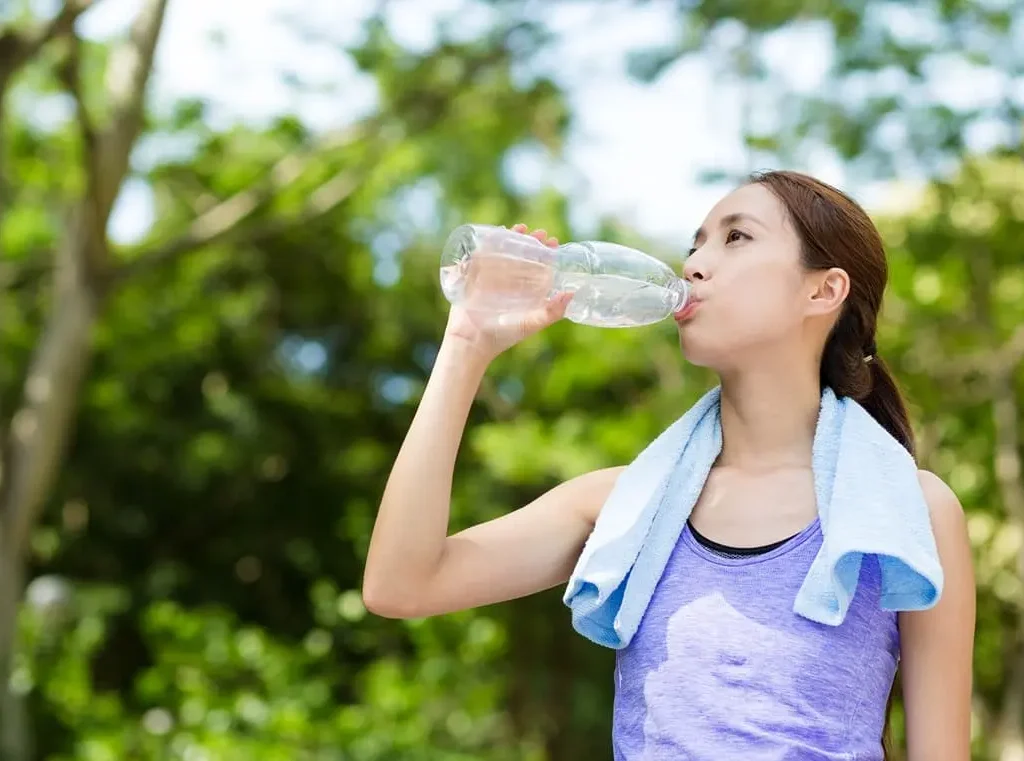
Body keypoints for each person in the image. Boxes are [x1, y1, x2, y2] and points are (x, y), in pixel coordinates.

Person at [362, 170, 975, 760]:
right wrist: (466, 343)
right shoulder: (624, 505)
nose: (695, 263)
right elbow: (400, 584)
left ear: (823, 290)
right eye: (696, 244)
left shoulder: (905, 512)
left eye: (736, 237)